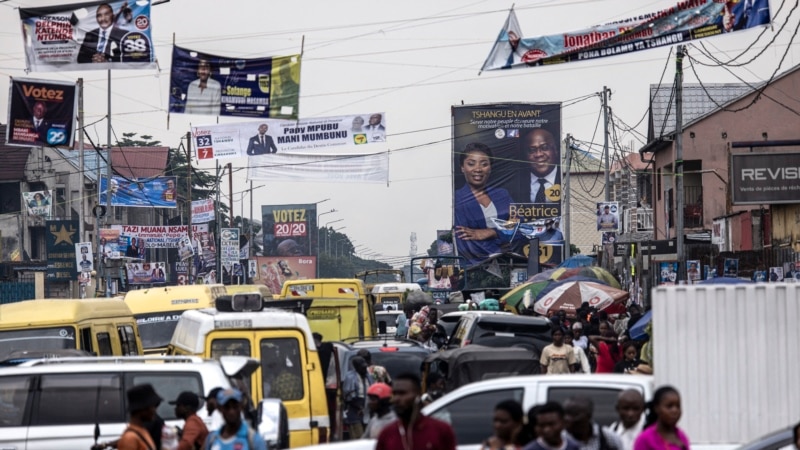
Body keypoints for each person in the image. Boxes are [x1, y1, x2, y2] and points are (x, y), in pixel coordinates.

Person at [454, 142, 516, 266]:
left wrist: (490, 232)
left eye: (484, 164)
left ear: (490, 167)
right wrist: (503, 242)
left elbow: (517, 226)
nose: (478, 169)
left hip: (508, 264)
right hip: (474, 269)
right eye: (471, 164)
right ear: (462, 167)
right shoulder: (457, 199)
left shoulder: (503, 195)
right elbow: (465, 241)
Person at [375, 372, 456, 450]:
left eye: (402, 393)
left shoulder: (441, 430)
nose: (396, 399)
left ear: (418, 394)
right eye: (394, 394)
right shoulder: (387, 434)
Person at [520, 129, 560, 204]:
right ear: (525, 155)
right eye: (532, 150)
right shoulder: (514, 185)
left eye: (544, 148)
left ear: (555, 150)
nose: (538, 154)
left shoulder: (565, 179)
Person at [117, 384, 161, 450]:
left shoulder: (142, 430)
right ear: (142, 409)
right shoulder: (130, 438)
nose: (154, 410)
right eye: (152, 407)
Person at [343, 356, 374, 439]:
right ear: (356, 367)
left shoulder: (369, 376)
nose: (364, 369)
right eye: (362, 367)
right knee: (358, 436)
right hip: (355, 409)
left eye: (365, 367)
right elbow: (347, 396)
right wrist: (358, 407)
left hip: (367, 409)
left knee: (368, 437)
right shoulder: (350, 377)